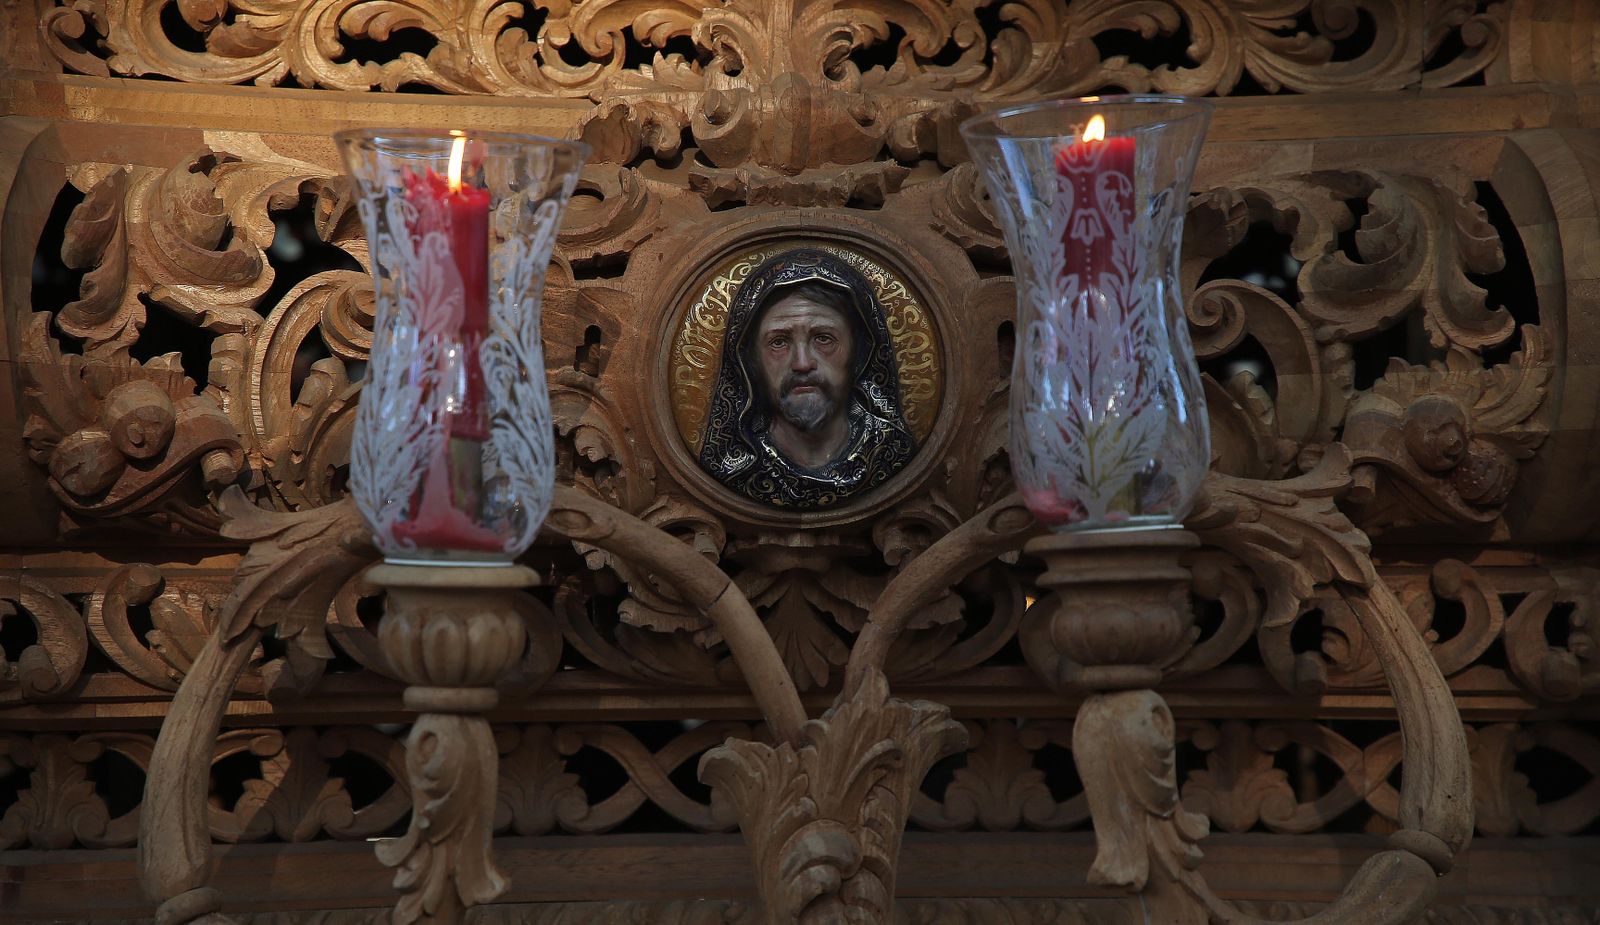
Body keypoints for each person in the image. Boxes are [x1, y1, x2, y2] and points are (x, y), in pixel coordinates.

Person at [698, 249, 917, 508]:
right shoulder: (736, 467)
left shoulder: (891, 453)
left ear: (860, 353)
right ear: (750, 362)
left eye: (823, 338)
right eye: (778, 342)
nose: (802, 363)